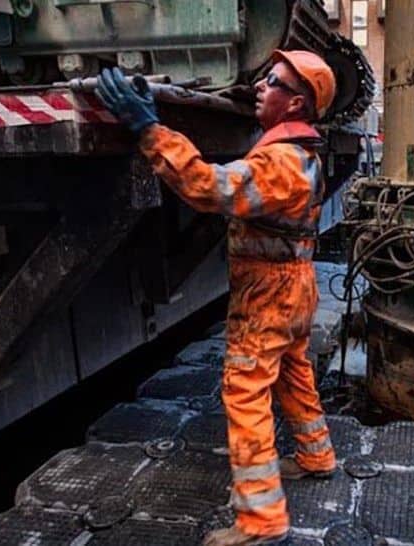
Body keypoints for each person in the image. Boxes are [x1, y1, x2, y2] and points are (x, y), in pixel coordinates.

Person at [95, 50, 339, 546]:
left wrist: (150, 129)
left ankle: (261, 520)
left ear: (295, 105)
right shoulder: (304, 154)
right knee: (293, 371)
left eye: (272, 83)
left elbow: (211, 187)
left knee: (245, 389)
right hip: (295, 285)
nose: (259, 87)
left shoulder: (281, 162)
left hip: (270, 291)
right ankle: (317, 456)